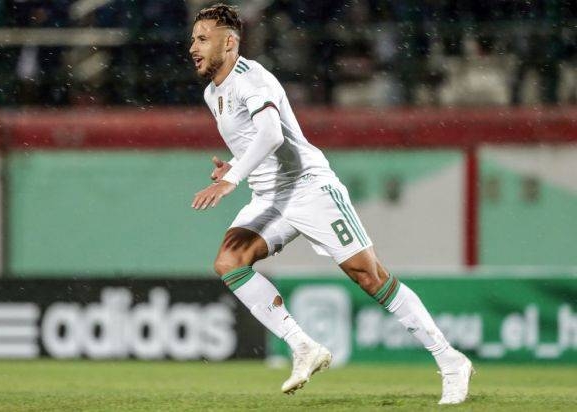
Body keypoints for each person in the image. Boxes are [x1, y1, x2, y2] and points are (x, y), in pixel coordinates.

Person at [189, 3, 474, 404]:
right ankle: (304, 346)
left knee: (369, 276)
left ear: (230, 41)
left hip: (309, 188)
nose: (192, 47)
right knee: (229, 263)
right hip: (270, 197)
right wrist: (234, 166)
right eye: (193, 38)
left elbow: (271, 135)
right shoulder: (211, 92)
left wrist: (232, 180)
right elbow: (260, 142)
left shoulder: (252, 79)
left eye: (202, 38)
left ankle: (451, 361)